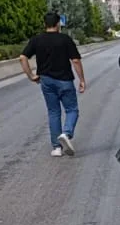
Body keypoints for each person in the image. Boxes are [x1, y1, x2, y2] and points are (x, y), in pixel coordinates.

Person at [19, 12, 87, 157]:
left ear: (45, 24)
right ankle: (66, 134)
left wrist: (31, 76)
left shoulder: (36, 40)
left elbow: (23, 57)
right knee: (72, 110)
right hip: (65, 80)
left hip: (46, 81)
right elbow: (75, 60)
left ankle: (56, 148)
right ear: (58, 24)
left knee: (53, 112)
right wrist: (81, 80)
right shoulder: (65, 39)